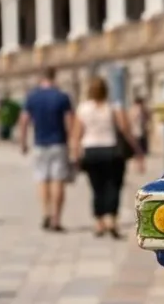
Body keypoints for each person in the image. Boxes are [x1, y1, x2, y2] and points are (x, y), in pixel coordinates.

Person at [71, 77, 141, 238]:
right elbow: (125, 129)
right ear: (106, 90)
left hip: (91, 150)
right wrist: (138, 151)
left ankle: (99, 223)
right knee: (114, 187)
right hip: (111, 150)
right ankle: (112, 221)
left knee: (97, 188)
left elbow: (76, 135)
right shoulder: (113, 107)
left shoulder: (83, 108)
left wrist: (75, 155)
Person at [18, 69, 74, 232]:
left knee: (42, 180)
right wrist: (72, 142)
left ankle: (46, 213)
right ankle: (56, 218)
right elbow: (69, 121)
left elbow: (24, 120)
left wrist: (23, 141)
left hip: (40, 143)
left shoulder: (32, 97)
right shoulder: (62, 97)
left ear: (41, 78)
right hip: (58, 143)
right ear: (54, 77)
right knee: (58, 181)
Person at [129, 96, 151, 174]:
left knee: (138, 150)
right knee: (139, 150)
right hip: (138, 132)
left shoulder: (133, 109)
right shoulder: (138, 110)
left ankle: (139, 166)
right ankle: (140, 166)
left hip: (136, 132)